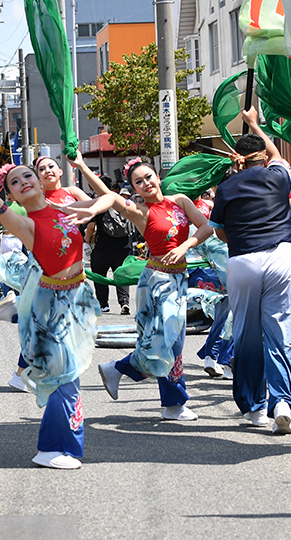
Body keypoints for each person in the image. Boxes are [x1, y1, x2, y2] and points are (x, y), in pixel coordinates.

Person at [0, 146, 104, 468]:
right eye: (15, 183)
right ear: (13, 196)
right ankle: (57, 448)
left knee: (69, 375)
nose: (23, 182)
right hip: (52, 305)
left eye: (27, 176)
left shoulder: (66, 209)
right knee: (64, 377)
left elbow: (113, 199)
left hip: (76, 299)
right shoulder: (25, 222)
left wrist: (89, 201)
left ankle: (52, 448)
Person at [94, 157, 213, 421]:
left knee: (171, 340)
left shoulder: (180, 200)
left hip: (180, 277)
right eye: (138, 182)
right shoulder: (140, 212)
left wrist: (185, 247)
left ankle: (119, 368)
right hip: (157, 281)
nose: (146, 183)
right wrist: (80, 167)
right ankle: (173, 403)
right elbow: (109, 196)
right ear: (134, 188)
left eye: (148, 177)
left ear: (158, 177)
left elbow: (206, 227)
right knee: (169, 340)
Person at [208, 109, 291, 435]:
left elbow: (219, 232)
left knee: (247, 334)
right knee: (282, 332)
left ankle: (254, 406)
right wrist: (254, 124)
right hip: (280, 256)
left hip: (243, 259)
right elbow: (275, 154)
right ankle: (283, 402)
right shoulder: (278, 176)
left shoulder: (226, 187)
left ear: (238, 158)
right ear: (262, 157)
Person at [87, 181, 134, 315]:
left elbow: (91, 227)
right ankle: (124, 303)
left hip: (103, 248)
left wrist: (87, 240)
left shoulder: (101, 205)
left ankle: (104, 304)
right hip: (124, 246)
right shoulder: (125, 204)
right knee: (122, 275)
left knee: (100, 274)